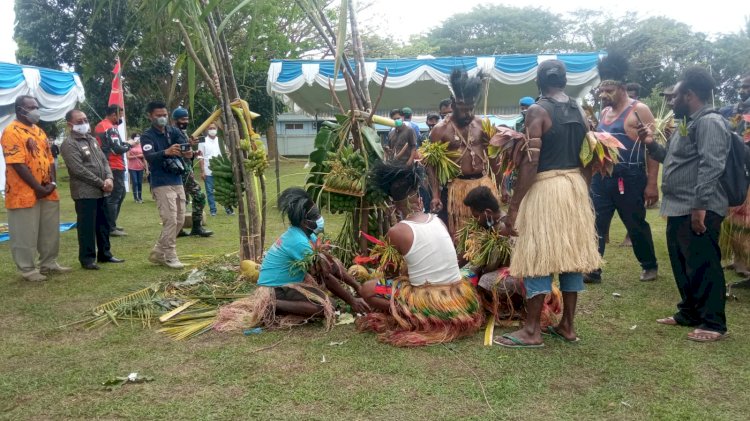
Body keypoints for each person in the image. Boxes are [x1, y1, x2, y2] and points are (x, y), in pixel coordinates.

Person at [494, 60, 601, 348]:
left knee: (539, 256)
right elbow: (589, 156)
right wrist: (581, 192)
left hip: (546, 188)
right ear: (565, 81)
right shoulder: (579, 110)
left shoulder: (537, 111)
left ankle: (531, 331)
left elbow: (531, 163)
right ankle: (567, 325)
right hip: (574, 188)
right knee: (570, 255)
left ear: (538, 82)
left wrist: (514, 207)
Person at [641, 67, 732, 342]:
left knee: (704, 265)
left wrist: (700, 205)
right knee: (684, 264)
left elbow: (712, 164)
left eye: (675, 95)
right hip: (679, 206)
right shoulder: (687, 122)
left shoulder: (709, 122)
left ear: (689, 95)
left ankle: (713, 324)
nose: (670, 101)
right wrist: (651, 144)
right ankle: (689, 312)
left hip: (699, 207)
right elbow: (673, 158)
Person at [357, 161, 484, 347]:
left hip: (426, 301)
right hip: (458, 295)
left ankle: (408, 314)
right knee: (467, 273)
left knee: (367, 289)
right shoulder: (438, 220)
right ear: (418, 197)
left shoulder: (397, 231)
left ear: (394, 204)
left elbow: (391, 272)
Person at [213, 187, 370, 331]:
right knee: (325, 308)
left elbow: (331, 265)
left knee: (331, 282)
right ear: (304, 221)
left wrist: (357, 287)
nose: (320, 218)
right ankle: (271, 305)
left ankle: (279, 304)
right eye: (316, 216)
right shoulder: (299, 242)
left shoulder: (308, 235)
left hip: (285, 284)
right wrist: (352, 301)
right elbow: (326, 276)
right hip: (274, 290)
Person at [585, 55, 659, 284]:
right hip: (603, 177)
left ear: (622, 88)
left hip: (631, 177)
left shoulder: (640, 110)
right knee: (596, 221)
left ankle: (650, 265)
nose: (603, 94)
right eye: (602, 89)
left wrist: (651, 183)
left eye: (609, 89)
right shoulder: (603, 113)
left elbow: (652, 149)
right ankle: (593, 268)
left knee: (635, 223)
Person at [461, 186, 562, 326]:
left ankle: (511, 308)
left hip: (522, 276)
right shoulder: (492, 224)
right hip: (510, 271)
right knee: (468, 273)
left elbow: (492, 264)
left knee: (485, 280)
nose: (476, 221)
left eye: (477, 216)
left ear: (488, 213)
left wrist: (474, 270)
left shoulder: (502, 228)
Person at [1, 95, 70, 281]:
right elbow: (17, 164)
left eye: (36, 106)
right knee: (24, 232)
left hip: (47, 190)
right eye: (31, 107)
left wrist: (52, 183)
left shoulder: (39, 131)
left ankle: (49, 263)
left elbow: (49, 159)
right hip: (23, 192)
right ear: (19, 110)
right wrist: (37, 187)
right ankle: (28, 269)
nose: (35, 110)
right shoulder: (11, 131)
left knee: (49, 230)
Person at [428, 69, 501, 237]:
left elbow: (493, 156)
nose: (468, 113)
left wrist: (502, 186)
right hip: (457, 188)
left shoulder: (482, 125)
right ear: (453, 104)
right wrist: (435, 195)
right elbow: (431, 165)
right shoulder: (440, 130)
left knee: (488, 233)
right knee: (461, 235)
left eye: (471, 108)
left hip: (483, 186)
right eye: (463, 108)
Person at [60, 109, 124, 270]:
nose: (84, 123)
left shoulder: (91, 139)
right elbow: (77, 169)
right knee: (87, 226)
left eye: (85, 120)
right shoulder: (69, 144)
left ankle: (105, 254)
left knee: (103, 223)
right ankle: (87, 259)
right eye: (79, 121)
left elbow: (104, 161)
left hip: (102, 190)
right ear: (70, 124)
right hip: (85, 192)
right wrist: (101, 182)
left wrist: (109, 177)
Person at [140, 101, 193, 269]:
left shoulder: (173, 131)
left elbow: (184, 146)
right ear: (150, 116)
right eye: (158, 115)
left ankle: (158, 251)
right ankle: (170, 255)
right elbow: (149, 156)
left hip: (176, 179)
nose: (162, 118)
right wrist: (166, 152)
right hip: (161, 182)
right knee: (169, 219)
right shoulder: (147, 136)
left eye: (164, 115)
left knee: (179, 219)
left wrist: (188, 152)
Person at [719, 73, 750, 284]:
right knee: (735, 219)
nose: (742, 90)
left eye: (746, 87)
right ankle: (739, 259)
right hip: (739, 172)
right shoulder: (735, 111)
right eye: (741, 87)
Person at [171, 107, 212, 237]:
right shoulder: (172, 132)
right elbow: (176, 151)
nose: (186, 121)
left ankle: (181, 228)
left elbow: (185, 152)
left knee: (182, 200)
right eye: (183, 119)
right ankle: (195, 227)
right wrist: (188, 145)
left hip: (186, 169)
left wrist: (194, 153)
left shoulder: (182, 132)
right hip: (180, 171)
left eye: (187, 119)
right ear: (175, 120)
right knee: (198, 196)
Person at [95, 105, 133, 237]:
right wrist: (130, 144)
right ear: (113, 115)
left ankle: (111, 224)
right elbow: (117, 149)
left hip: (111, 164)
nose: (121, 119)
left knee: (120, 194)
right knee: (114, 197)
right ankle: (110, 227)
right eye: (120, 116)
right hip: (113, 165)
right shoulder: (109, 127)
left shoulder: (102, 126)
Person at [198, 122, 233, 216]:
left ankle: (228, 209)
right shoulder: (202, 142)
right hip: (208, 170)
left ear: (217, 129)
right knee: (210, 191)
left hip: (221, 169)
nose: (212, 130)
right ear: (206, 130)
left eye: (214, 128)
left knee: (224, 190)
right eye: (210, 128)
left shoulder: (220, 141)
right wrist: (202, 171)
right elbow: (200, 157)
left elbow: (225, 154)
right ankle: (213, 210)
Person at [127, 133, 146, 204]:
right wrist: (138, 155)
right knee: (135, 182)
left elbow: (143, 156)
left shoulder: (141, 146)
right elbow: (128, 157)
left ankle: (140, 197)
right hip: (132, 167)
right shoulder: (130, 146)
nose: (138, 138)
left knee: (139, 182)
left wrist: (145, 166)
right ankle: (135, 197)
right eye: (136, 137)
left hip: (140, 167)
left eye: (138, 137)